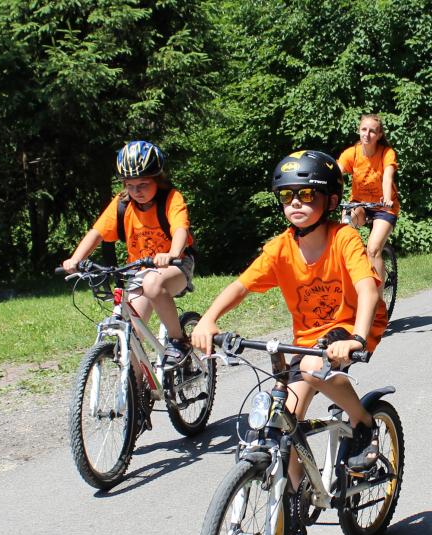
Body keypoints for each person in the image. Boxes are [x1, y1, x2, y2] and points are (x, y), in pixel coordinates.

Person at [190, 150, 388, 483]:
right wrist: (208, 319)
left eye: (307, 194)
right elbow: (240, 286)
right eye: (287, 196)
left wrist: (356, 338)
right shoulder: (279, 249)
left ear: (330, 200)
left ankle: (363, 424)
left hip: (353, 325)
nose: (295, 202)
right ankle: (293, 497)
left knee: (312, 368)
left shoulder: (344, 238)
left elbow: (368, 289)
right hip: (308, 340)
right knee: (284, 419)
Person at [61, 140, 195, 368]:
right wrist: (76, 259)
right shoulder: (122, 204)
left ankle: (178, 341)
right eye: (130, 185)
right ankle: (138, 387)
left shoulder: (171, 199)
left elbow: (180, 229)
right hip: (139, 271)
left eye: (143, 184)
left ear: (158, 178)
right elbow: (97, 233)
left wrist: (172, 253)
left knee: (153, 283)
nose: (136, 191)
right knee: (131, 336)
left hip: (176, 266)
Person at [338, 113, 400, 284]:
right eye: (364, 129)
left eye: (372, 131)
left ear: (379, 135)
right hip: (360, 205)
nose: (367, 134)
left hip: (384, 207)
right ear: (358, 130)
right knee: (344, 230)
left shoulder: (386, 153)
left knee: (373, 250)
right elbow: (335, 174)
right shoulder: (351, 153)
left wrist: (386, 198)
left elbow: (387, 177)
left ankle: (378, 296)